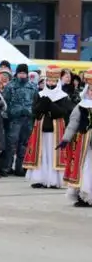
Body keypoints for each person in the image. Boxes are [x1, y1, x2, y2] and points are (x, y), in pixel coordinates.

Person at [23, 65, 74, 189]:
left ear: (57, 82)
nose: (51, 83)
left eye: (53, 81)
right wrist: (42, 105)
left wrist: (50, 105)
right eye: (49, 81)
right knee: (41, 153)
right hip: (41, 129)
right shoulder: (40, 94)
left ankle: (55, 180)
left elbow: (63, 112)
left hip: (56, 129)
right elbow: (34, 111)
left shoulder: (62, 95)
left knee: (54, 154)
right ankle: (39, 178)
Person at [57, 71, 92, 207]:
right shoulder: (81, 106)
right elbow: (73, 123)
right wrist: (66, 139)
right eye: (90, 90)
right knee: (83, 167)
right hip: (83, 142)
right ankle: (83, 195)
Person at [3, 63, 39, 176]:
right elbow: (5, 102)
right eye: (20, 73)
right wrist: (9, 114)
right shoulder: (10, 86)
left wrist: (33, 113)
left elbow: (36, 101)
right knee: (11, 144)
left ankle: (21, 168)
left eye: (24, 73)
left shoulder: (32, 86)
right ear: (17, 73)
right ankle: (7, 167)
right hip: (14, 119)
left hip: (28, 119)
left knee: (24, 144)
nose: (22, 75)